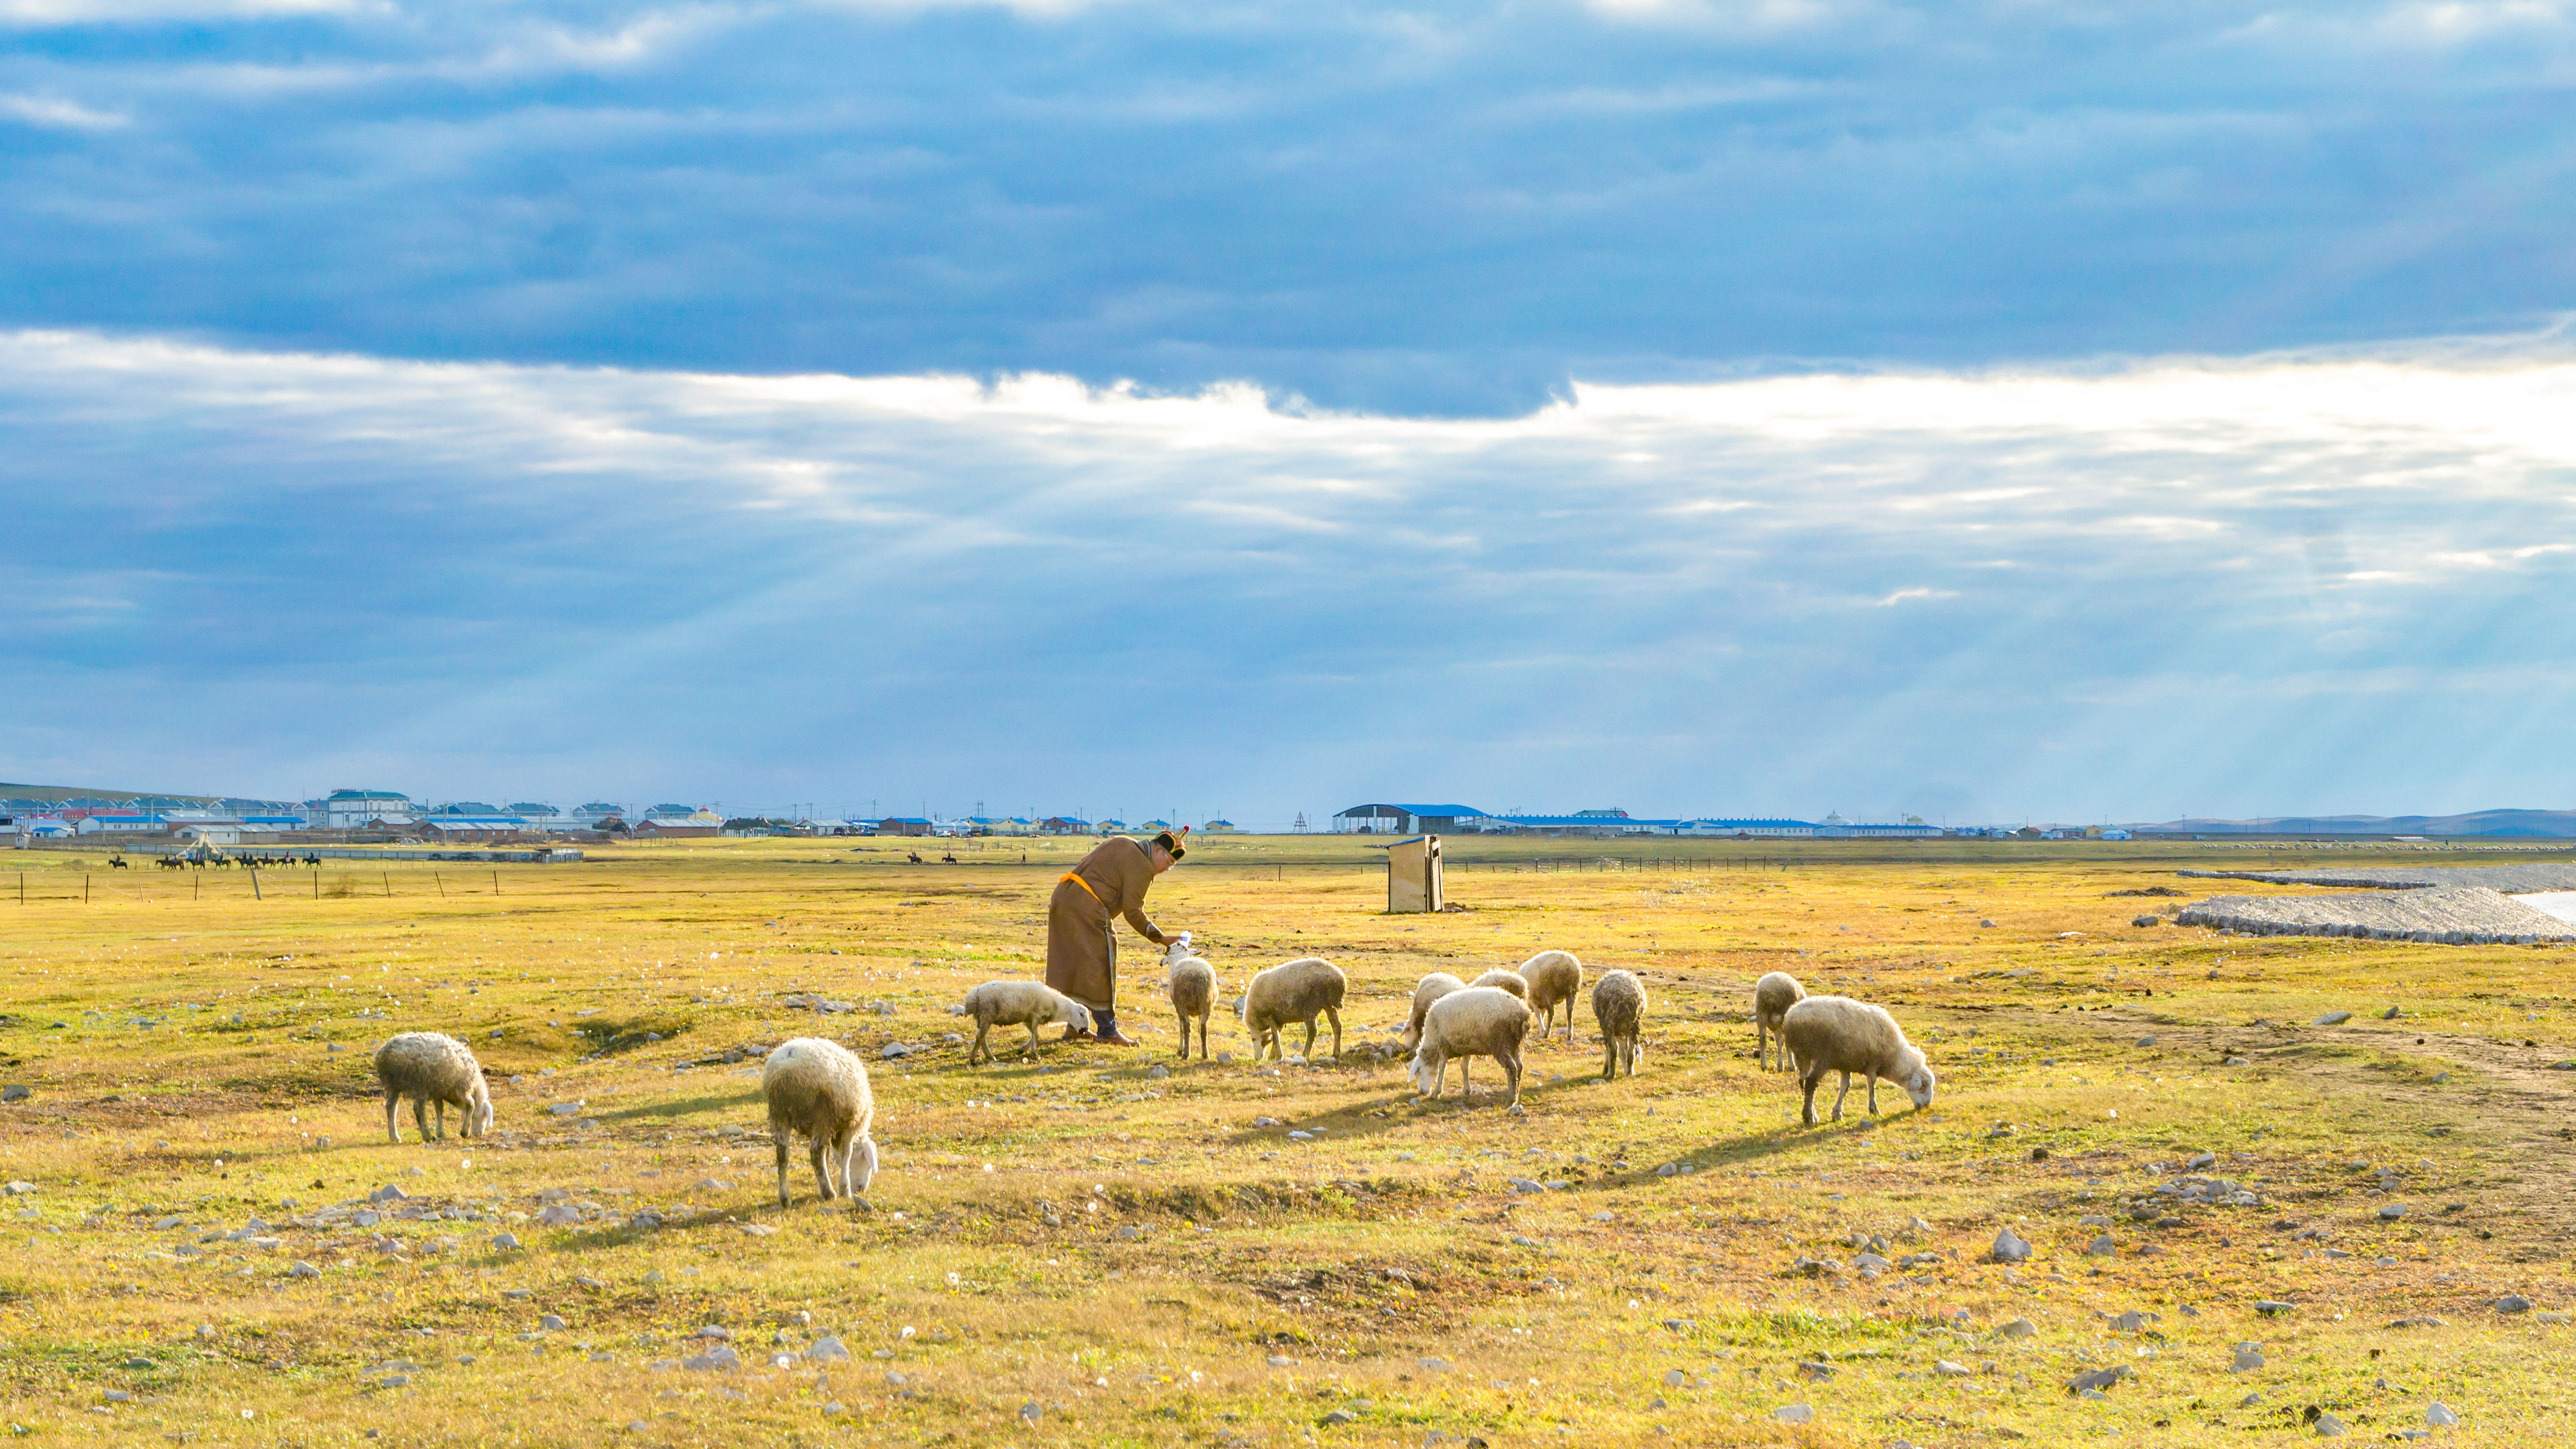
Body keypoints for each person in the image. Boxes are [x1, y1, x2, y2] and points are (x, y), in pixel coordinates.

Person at [1045, 829, 1185, 1046]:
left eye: (1171, 866)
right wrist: (1163, 939)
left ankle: (1075, 1028)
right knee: (1102, 963)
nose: (1167, 869)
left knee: (1077, 966)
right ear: (1157, 850)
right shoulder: (1143, 866)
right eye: (1168, 862)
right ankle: (1107, 1030)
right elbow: (1133, 912)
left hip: (1064, 898)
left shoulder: (1123, 842)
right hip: (1086, 907)